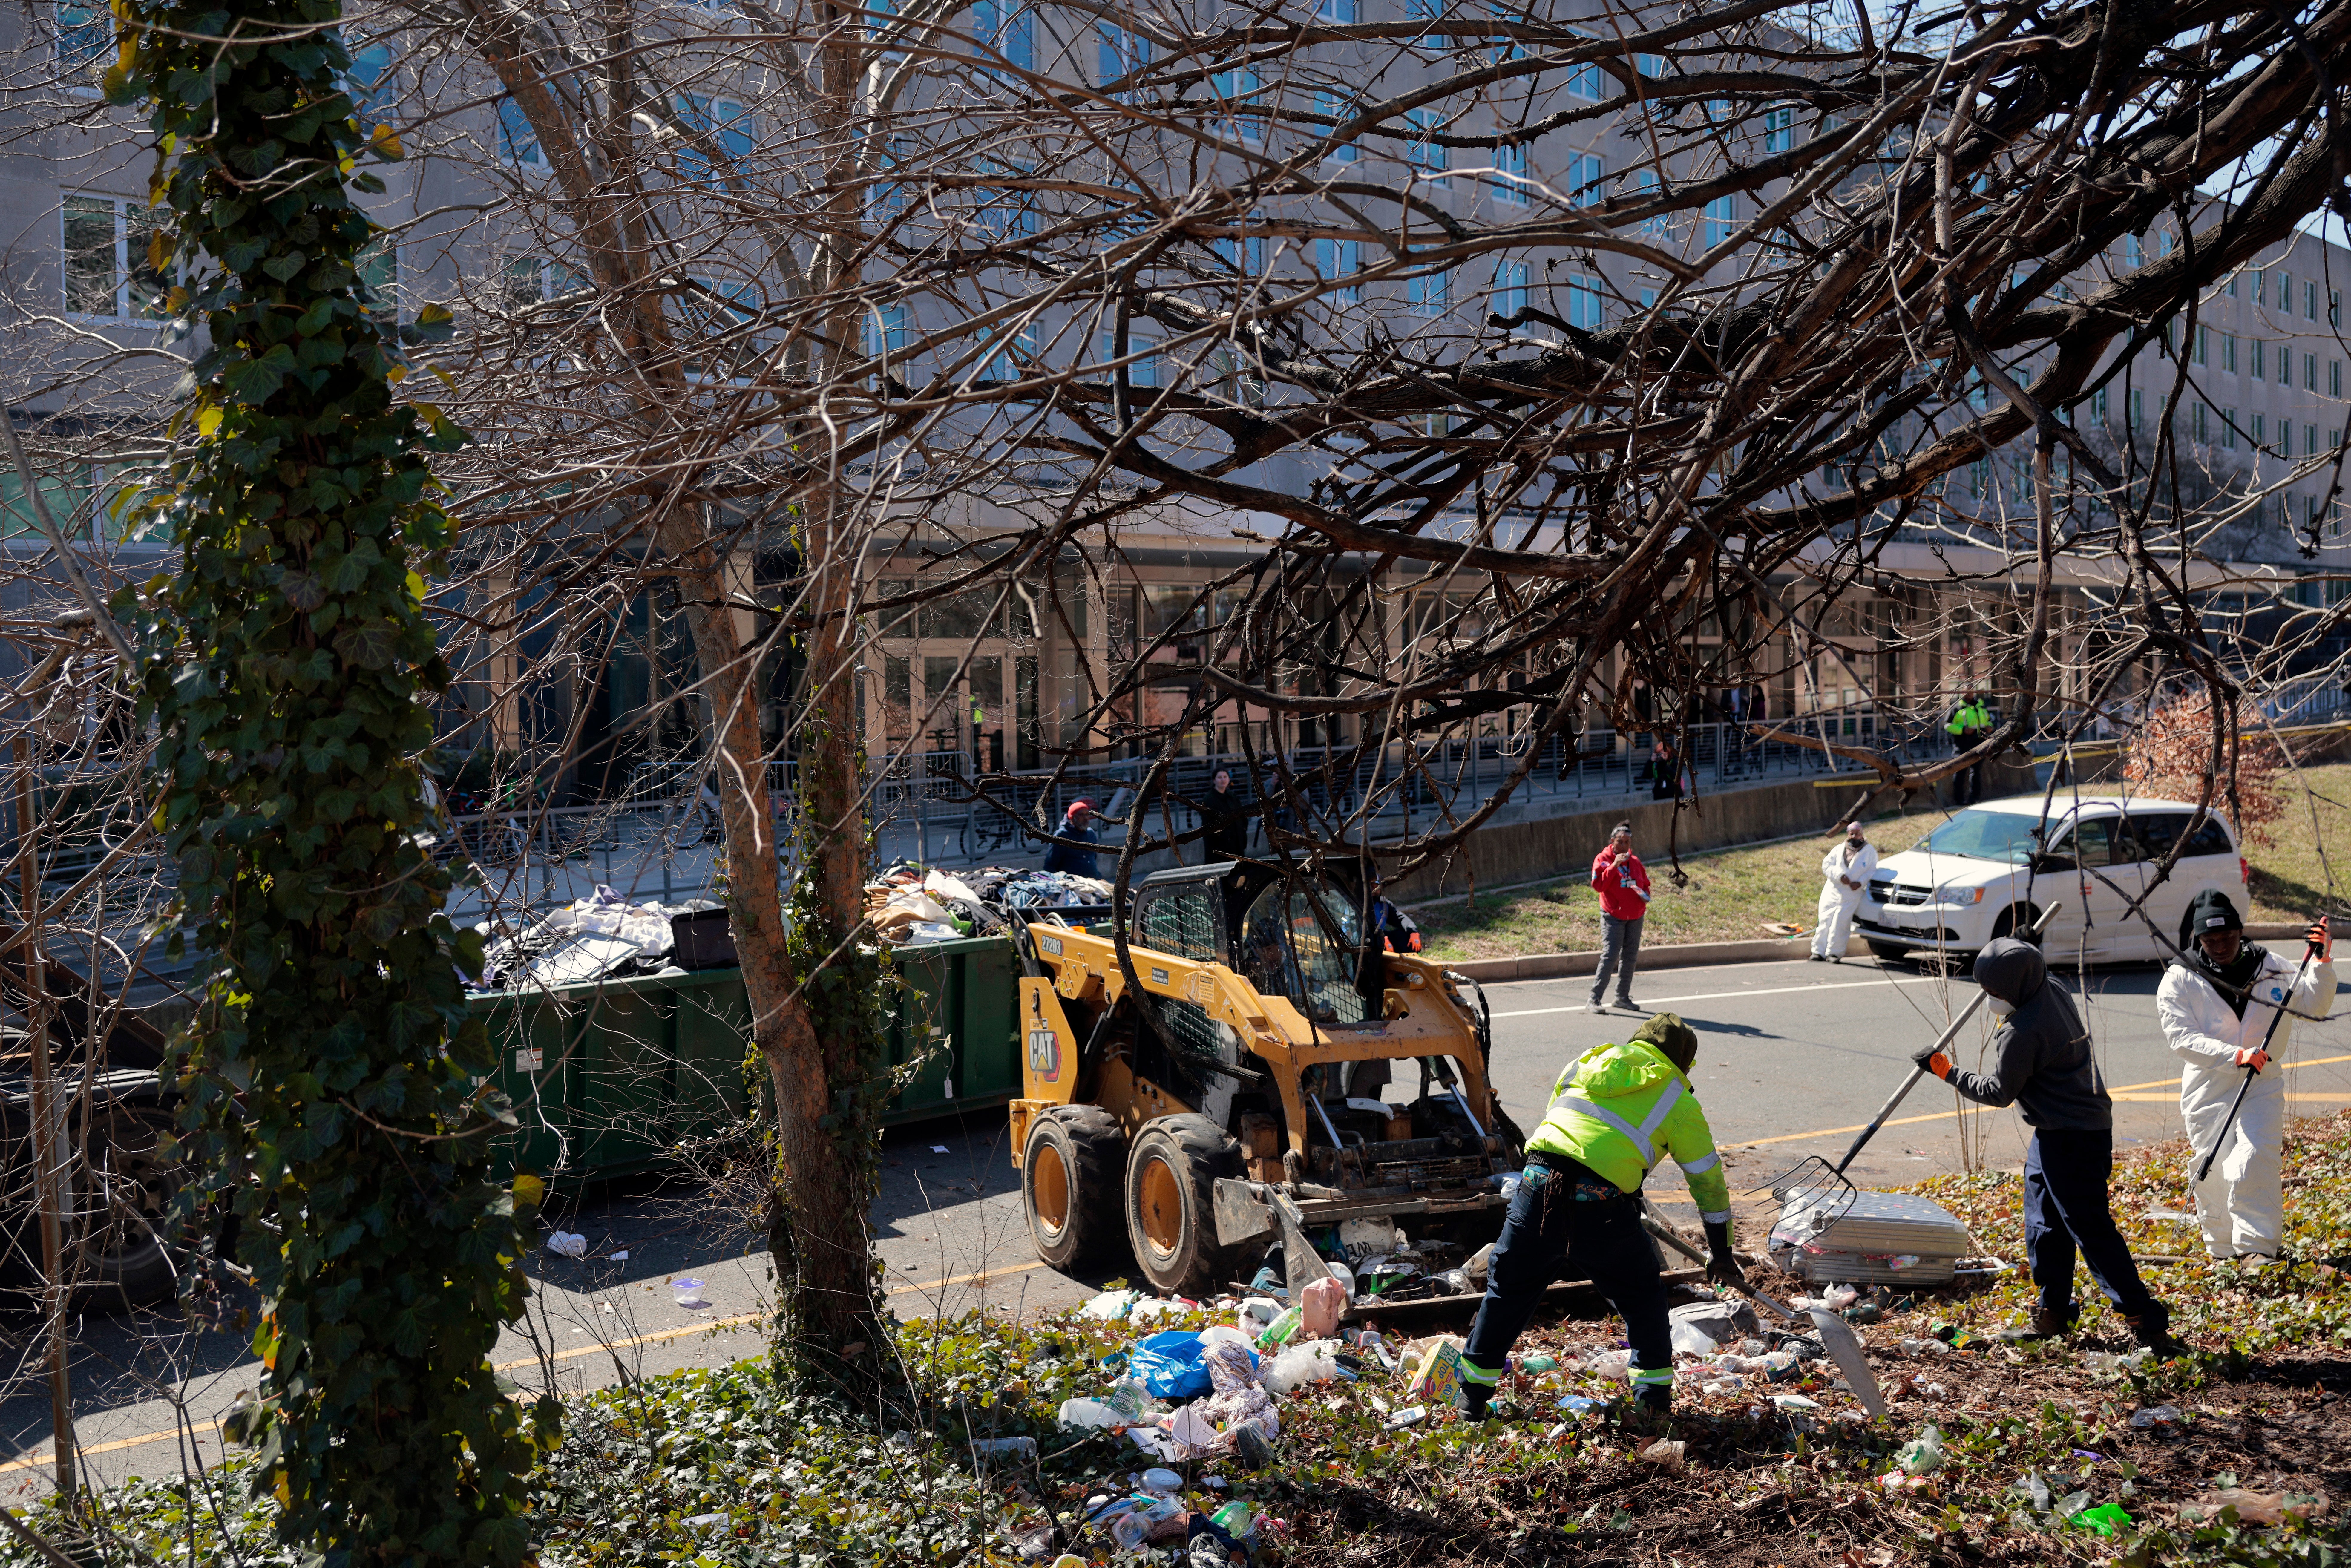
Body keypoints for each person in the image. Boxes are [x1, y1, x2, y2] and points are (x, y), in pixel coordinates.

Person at [1459, 1013, 1741, 1419]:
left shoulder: (1584, 1064)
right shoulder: (1677, 1100)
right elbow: (1708, 1183)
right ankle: (1653, 1406)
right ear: (1682, 1062)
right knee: (1642, 1298)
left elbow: (1565, 1131)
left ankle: (1470, 1401)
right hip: (1603, 1210)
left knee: (1508, 1293)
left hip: (1536, 1193)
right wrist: (1721, 1252)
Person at [1913, 936, 2182, 1352]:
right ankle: (2052, 1312)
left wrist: (1946, 1071)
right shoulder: (2049, 986)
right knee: (2043, 1222)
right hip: (2058, 1131)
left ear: (2017, 989)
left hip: (2074, 1137)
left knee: (2090, 1231)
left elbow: (1998, 1092)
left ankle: (2146, 1322)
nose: (1991, 999)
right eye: (1986, 990)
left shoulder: (2022, 1032)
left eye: (1997, 992)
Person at [2154, 891, 2335, 1264]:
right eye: (2210, 940)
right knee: (2213, 1163)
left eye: (2228, 937)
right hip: (2208, 1085)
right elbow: (2182, 1038)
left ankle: (2255, 1247)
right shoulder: (2181, 977)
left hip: (2262, 1080)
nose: (2220, 946)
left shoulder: (2271, 966)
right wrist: (2235, 1055)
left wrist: (2321, 962)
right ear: (2198, 939)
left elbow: (2313, 1006)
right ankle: (2222, 1248)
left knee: (2255, 1156)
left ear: (2241, 932)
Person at [1588, 823, 1650, 1015]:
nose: (1624, 846)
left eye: (1627, 842)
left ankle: (1622, 997)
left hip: (1635, 916)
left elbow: (1646, 884)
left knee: (1630, 957)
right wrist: (1614, 866)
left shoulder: (1636, 862)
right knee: (1610, 956)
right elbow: (1598, 886)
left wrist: (1645, 896)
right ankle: (1594, 999)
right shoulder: (1603, 859)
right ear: (1612, 842)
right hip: (1613, 916)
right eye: (1620, 842)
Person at [1810, 821, 1878, 962]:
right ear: (1848, 834)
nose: (1854, 836)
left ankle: (1834, 953)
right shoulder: (1838, 849)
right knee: (1825, 920)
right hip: (1833, 890)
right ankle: (1818, 951)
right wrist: (1840, 876)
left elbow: (1872, 871)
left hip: (1852, 894)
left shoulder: (1870, 852)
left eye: (1857, 833)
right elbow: (1827, 866)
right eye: (1851, 833)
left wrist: (1860, 883)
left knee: (1841, 923)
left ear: (1862, 834)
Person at [1042, 799, 1101, 878]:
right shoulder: (1062, 836)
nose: (1086, 818)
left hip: (1093, 882)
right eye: (1081, 815)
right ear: (1072, 818)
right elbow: (1050, 865)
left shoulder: (1091, 834)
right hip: (1071, 884)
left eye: (1087, 814)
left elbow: (1094, 857)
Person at [1203, 767, 1251, 859]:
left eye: (1225, 777)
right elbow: (1208, 824)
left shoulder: (1232, 795)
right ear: (1214, 780)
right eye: (1220, 778)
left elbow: (1241, 814)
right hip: (1219, 845)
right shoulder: (1209, 799)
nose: (1223, 780)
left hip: (1236, 842)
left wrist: (1243, 829)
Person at [1648, 735, 1683, 802]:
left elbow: (1675, 776)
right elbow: (1646, 776)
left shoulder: (1674, 762)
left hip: (1673, 794)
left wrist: (1664, 763)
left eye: (1664, 755)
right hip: (1659, 795)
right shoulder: (1655, 764)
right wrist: (1650, 762)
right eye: (1660, 755)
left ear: (1668, 754)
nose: (1662, 757)